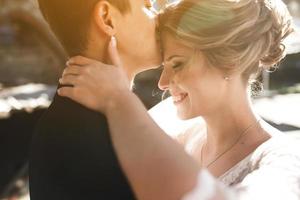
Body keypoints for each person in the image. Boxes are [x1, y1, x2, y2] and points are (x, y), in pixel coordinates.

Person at [58, 0, 300, 199]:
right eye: (164, 65)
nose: (162, 82)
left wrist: (119, 99)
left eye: (178, 64)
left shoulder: (283, 158)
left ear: (231, 62)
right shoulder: (168, 122)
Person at [29, 0, 161, 199]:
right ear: (107, 18)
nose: (160, 17)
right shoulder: (86, 138)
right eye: (148, 7)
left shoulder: (68, 117)